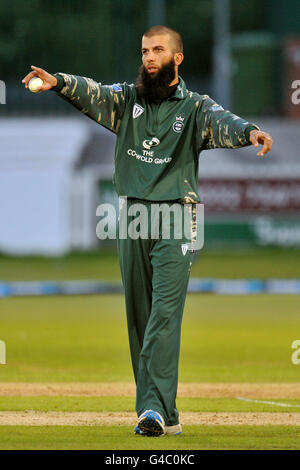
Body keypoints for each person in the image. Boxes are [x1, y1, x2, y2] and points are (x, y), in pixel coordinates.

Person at [22, 25, 273, 437]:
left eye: (158, 50)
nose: (149, 58)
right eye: (144, 51)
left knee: (163, 314)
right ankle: (163, 413)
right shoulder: (126, 100)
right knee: (139, 316)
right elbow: (94, 92)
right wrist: (58, 83)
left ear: (177, 58)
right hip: (132, 215)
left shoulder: (194, 107)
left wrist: (251, 133)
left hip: (177, 217)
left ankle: (151, 410)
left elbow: (223, 121)